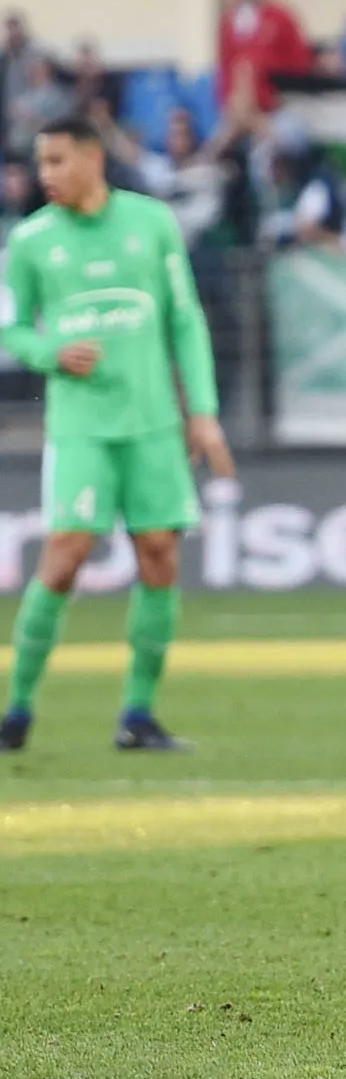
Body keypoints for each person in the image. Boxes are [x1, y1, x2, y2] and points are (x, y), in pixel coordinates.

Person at [0, 118, 235, 754]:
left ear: (92, 159)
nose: (45, 174)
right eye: (40, 162)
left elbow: (184, 321)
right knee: (66, 555)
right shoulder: (30, 241)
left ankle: (138, 714)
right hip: (81, 429)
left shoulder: (151, 223)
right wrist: (49, 350)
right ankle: (15, 710)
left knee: (159, 553)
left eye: (56, 161)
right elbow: (11, 328)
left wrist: (203, 411)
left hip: (154, 425)